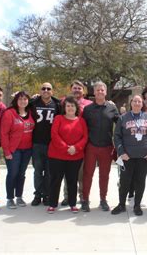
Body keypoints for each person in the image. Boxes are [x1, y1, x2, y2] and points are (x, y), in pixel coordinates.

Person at [111, 95, 147, 216]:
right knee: (124, 181)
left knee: (140, 181)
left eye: (139, 101)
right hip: (128, 157)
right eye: (134, 101)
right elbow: (117, 136)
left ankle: (137, 205)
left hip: (144, 157)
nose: (137, 103)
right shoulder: (123, 118)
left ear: (142, 104)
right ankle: (121, 204)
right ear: (131, 103)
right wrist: (121, 152)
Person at [81, 81, 119, 212]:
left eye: (102, 90)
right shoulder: (88, 109)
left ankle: (103, 199)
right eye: (97, 90)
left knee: (104, 175)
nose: (100, 92)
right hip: (91, 146)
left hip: (107, 147)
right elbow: (81, 127)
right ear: (94, 92)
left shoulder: (112, 108)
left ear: (106, 92)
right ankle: (85, 200)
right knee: (87, 174)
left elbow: (120, 124)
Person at [47, 96, 88, 214]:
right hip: (56, 156)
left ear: (76, 108)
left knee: (72, 181)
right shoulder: (58, 118)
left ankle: (72, 204)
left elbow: (85, 137)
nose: (70, 108)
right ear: (64, 107)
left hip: (75, 156)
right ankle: (52, 204)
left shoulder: (81, 121)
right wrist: (66, 148)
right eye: (68, 106)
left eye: (72, 106)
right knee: (55, 180)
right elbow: (54, 135)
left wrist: (76, 148)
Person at [0, 91, 35, 209]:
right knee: (12, 174)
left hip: (27, 150)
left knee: (21, 174)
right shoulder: (9, 113)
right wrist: (6, 151)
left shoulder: (30, 112)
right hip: (14, 150)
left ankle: (19, 197)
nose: (23, 101)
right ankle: (10, 198)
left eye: (25, 99)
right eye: (20, 99)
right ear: (16, 100)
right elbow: (3, 134)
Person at [30, 82, 62, 206]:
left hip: (51, 144)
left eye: (49, 88)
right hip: (37, 143)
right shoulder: (33, 102)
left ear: (52, 91)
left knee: (49, 171)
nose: (46, 90)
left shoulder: (57, 104)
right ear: (40, 90)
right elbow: (19, 107)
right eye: (43, 88)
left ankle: (47, 195)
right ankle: (38, 194)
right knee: (37, 171)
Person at [61, 80, 93, 206]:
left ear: (83, 90)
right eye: (74, 88)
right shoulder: (64, 102)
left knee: (82, 173)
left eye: (79, 88)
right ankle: (67, 196)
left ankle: (82, 196)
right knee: (67, 172)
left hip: (84, 142)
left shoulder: (89, 103)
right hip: (68, 143)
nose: (77, 90)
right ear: (71, 89)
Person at [126, 85, 147, 203]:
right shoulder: (138, 104)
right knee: (133, 172)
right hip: (133, 144)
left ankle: (137, 196)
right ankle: (131, 194)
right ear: (144, 94)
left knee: (141, 174)